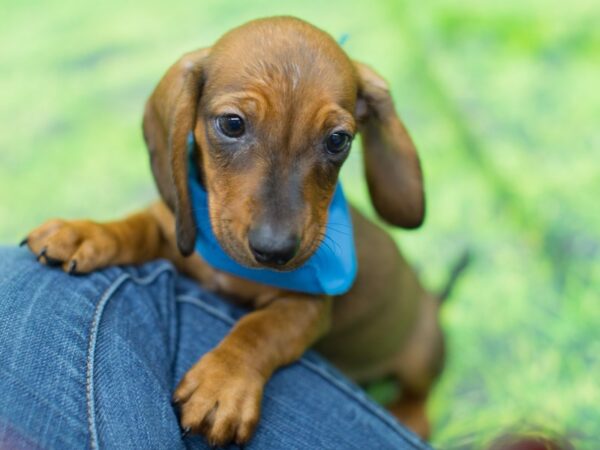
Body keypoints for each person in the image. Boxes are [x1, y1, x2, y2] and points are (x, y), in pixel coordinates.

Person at [0, 246, 430, 449]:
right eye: (233, 126)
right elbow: (157, 226)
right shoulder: (187, 198)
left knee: (423, 339)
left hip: (382, 345)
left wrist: (244, 357)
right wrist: (115, 237)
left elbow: (308, 308)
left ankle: (416, 397)